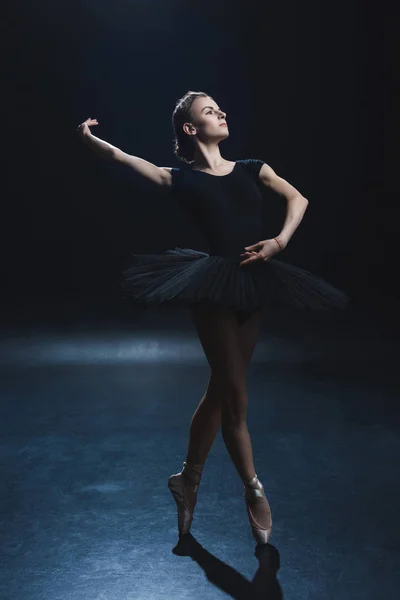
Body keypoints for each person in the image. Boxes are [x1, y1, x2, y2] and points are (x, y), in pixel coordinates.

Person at [77, 90, 349, 549]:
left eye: (220, 108)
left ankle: (187, 479)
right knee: (236, 398)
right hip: (212, 289)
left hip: (256, 284)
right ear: (190, 129)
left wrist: (278, 243)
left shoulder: (251, 168)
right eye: (209, 111)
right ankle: (254, 489)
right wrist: (89, 139)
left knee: (222, 390)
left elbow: (298, 198)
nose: (221, 112)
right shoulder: (179, 179)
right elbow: (126, 158)